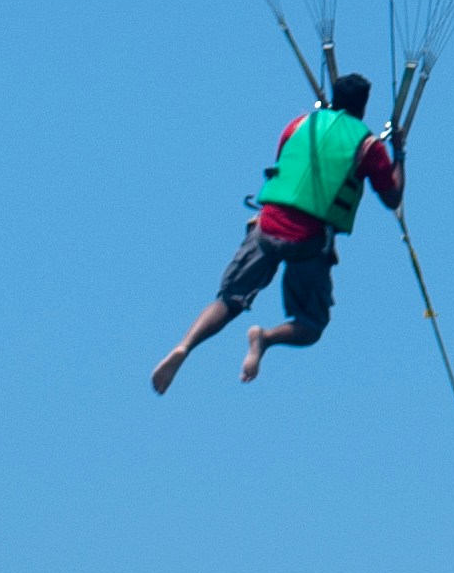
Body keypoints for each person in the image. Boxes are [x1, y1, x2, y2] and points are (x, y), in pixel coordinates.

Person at [151, 71, 406, 393]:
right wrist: (400, 153)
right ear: (364, 106)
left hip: (266, 226)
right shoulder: (370, 146)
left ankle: (185, 346)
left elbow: (286, 167)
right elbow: (392, 197)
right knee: (311, 326)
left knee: (229, 300)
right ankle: (265, 339)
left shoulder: (298, 125)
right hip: (308, 241)